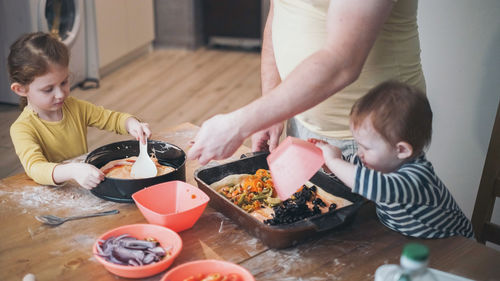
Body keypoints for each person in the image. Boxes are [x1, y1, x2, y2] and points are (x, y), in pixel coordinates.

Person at [188, 0, 425, 165]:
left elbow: (343, 62)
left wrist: (240, 124)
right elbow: (279, 12)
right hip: (300, 118)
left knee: (369, 237)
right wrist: (269, 111)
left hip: (369, 139)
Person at [312, 81, 473, 238]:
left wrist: (334, 161)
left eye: (366, 147)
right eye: (358, 145)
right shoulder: (375, 161)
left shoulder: (417, 176)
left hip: (453, 244)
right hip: (404, 238)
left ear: (401, 150)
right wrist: (332, 166)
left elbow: (371, 185)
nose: (359, 153)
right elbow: (350, 174)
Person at [8, 32, 151, 189]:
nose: (60, 94)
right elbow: (35, 168)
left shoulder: (75, 107)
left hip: (83, 184)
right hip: (52, 195)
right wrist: (73, 170)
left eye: (64, 82)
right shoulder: (22, 128)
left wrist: (131, 124)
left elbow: (110, 119)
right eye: (48, 89)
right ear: (20, 89)